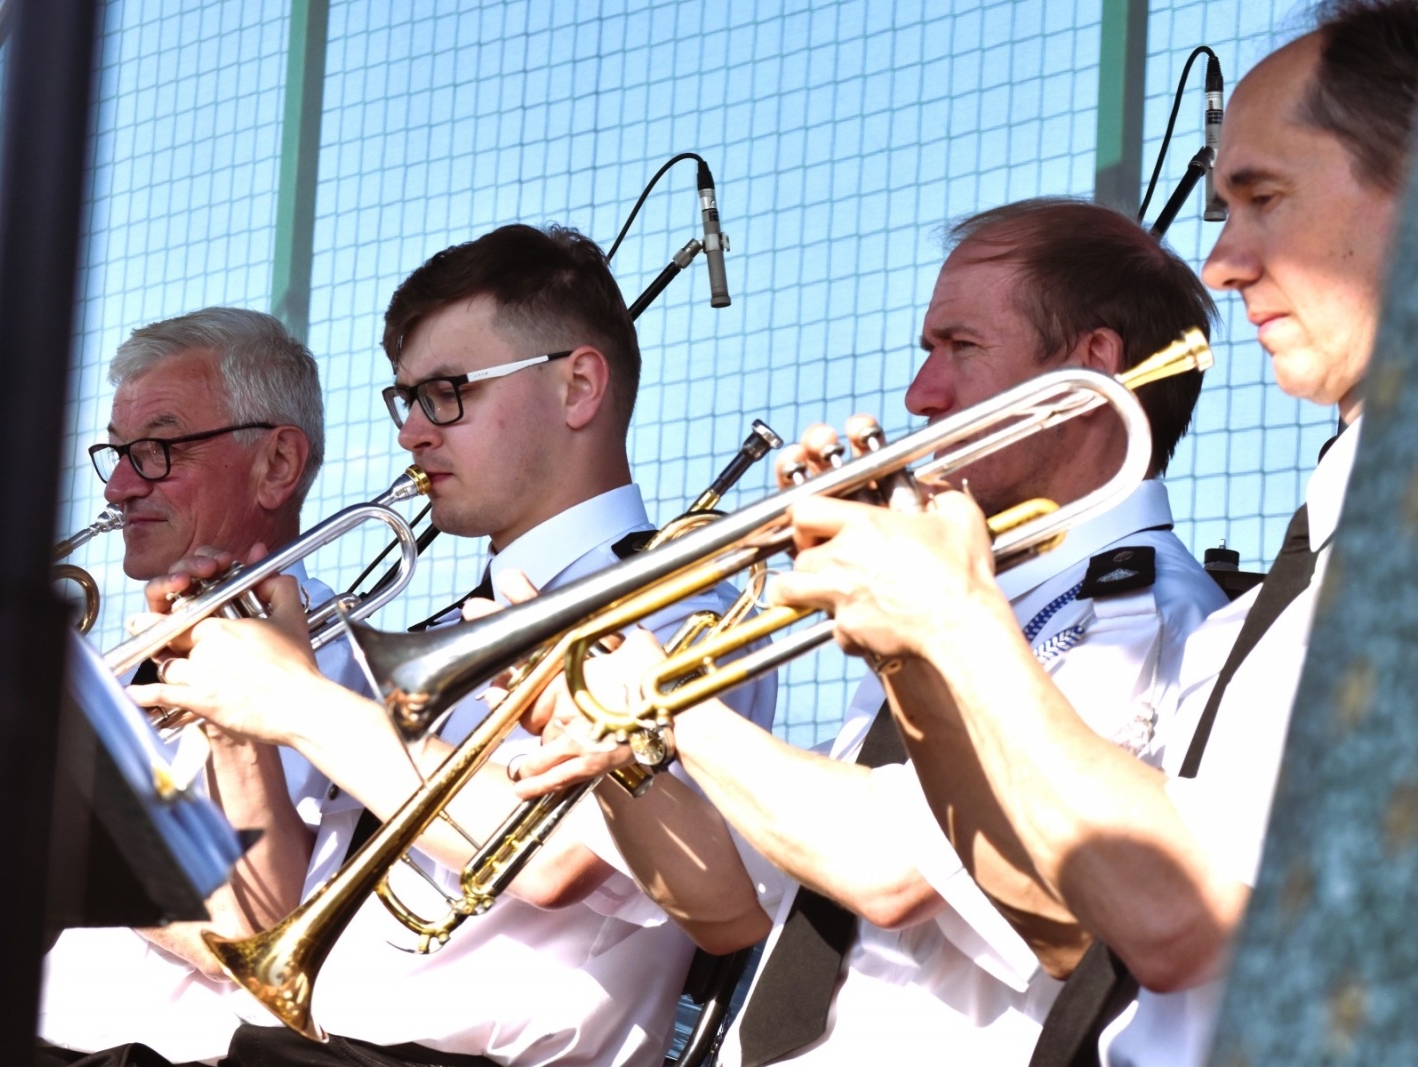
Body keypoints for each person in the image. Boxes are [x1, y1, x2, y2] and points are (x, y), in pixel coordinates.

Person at [722, 2, 1417, 1064]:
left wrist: (950, 627)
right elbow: (1064, 912)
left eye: (1262, 196)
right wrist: (920, 645)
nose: (1225, 262)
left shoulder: (1150, 605)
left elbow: (1174, 913)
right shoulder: (1297, 569)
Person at [514, 196, 1229, 1066]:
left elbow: (893, 868)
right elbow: (741, 895)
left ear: (1090, 368)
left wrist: (671, 711)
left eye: (960, 348)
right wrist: (621, 750)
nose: (919, 394)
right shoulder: (965, 595)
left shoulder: (1142, 617)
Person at [134, 223, 777, 1067]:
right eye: (408, 401)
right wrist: (240, 723)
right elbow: (282, 907)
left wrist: (297, 698)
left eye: (447, 393)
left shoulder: (679, 613)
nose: (412, 433)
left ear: (578, 386)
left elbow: (554, 858)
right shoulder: (442, 631)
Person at [37, 306, 367, 1063]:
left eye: (155, 450)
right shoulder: (107, 670)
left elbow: (253, 930)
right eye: (117, 453)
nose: (119, 487)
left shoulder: (341, 682)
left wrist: (55, 826)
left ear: (278, 464)